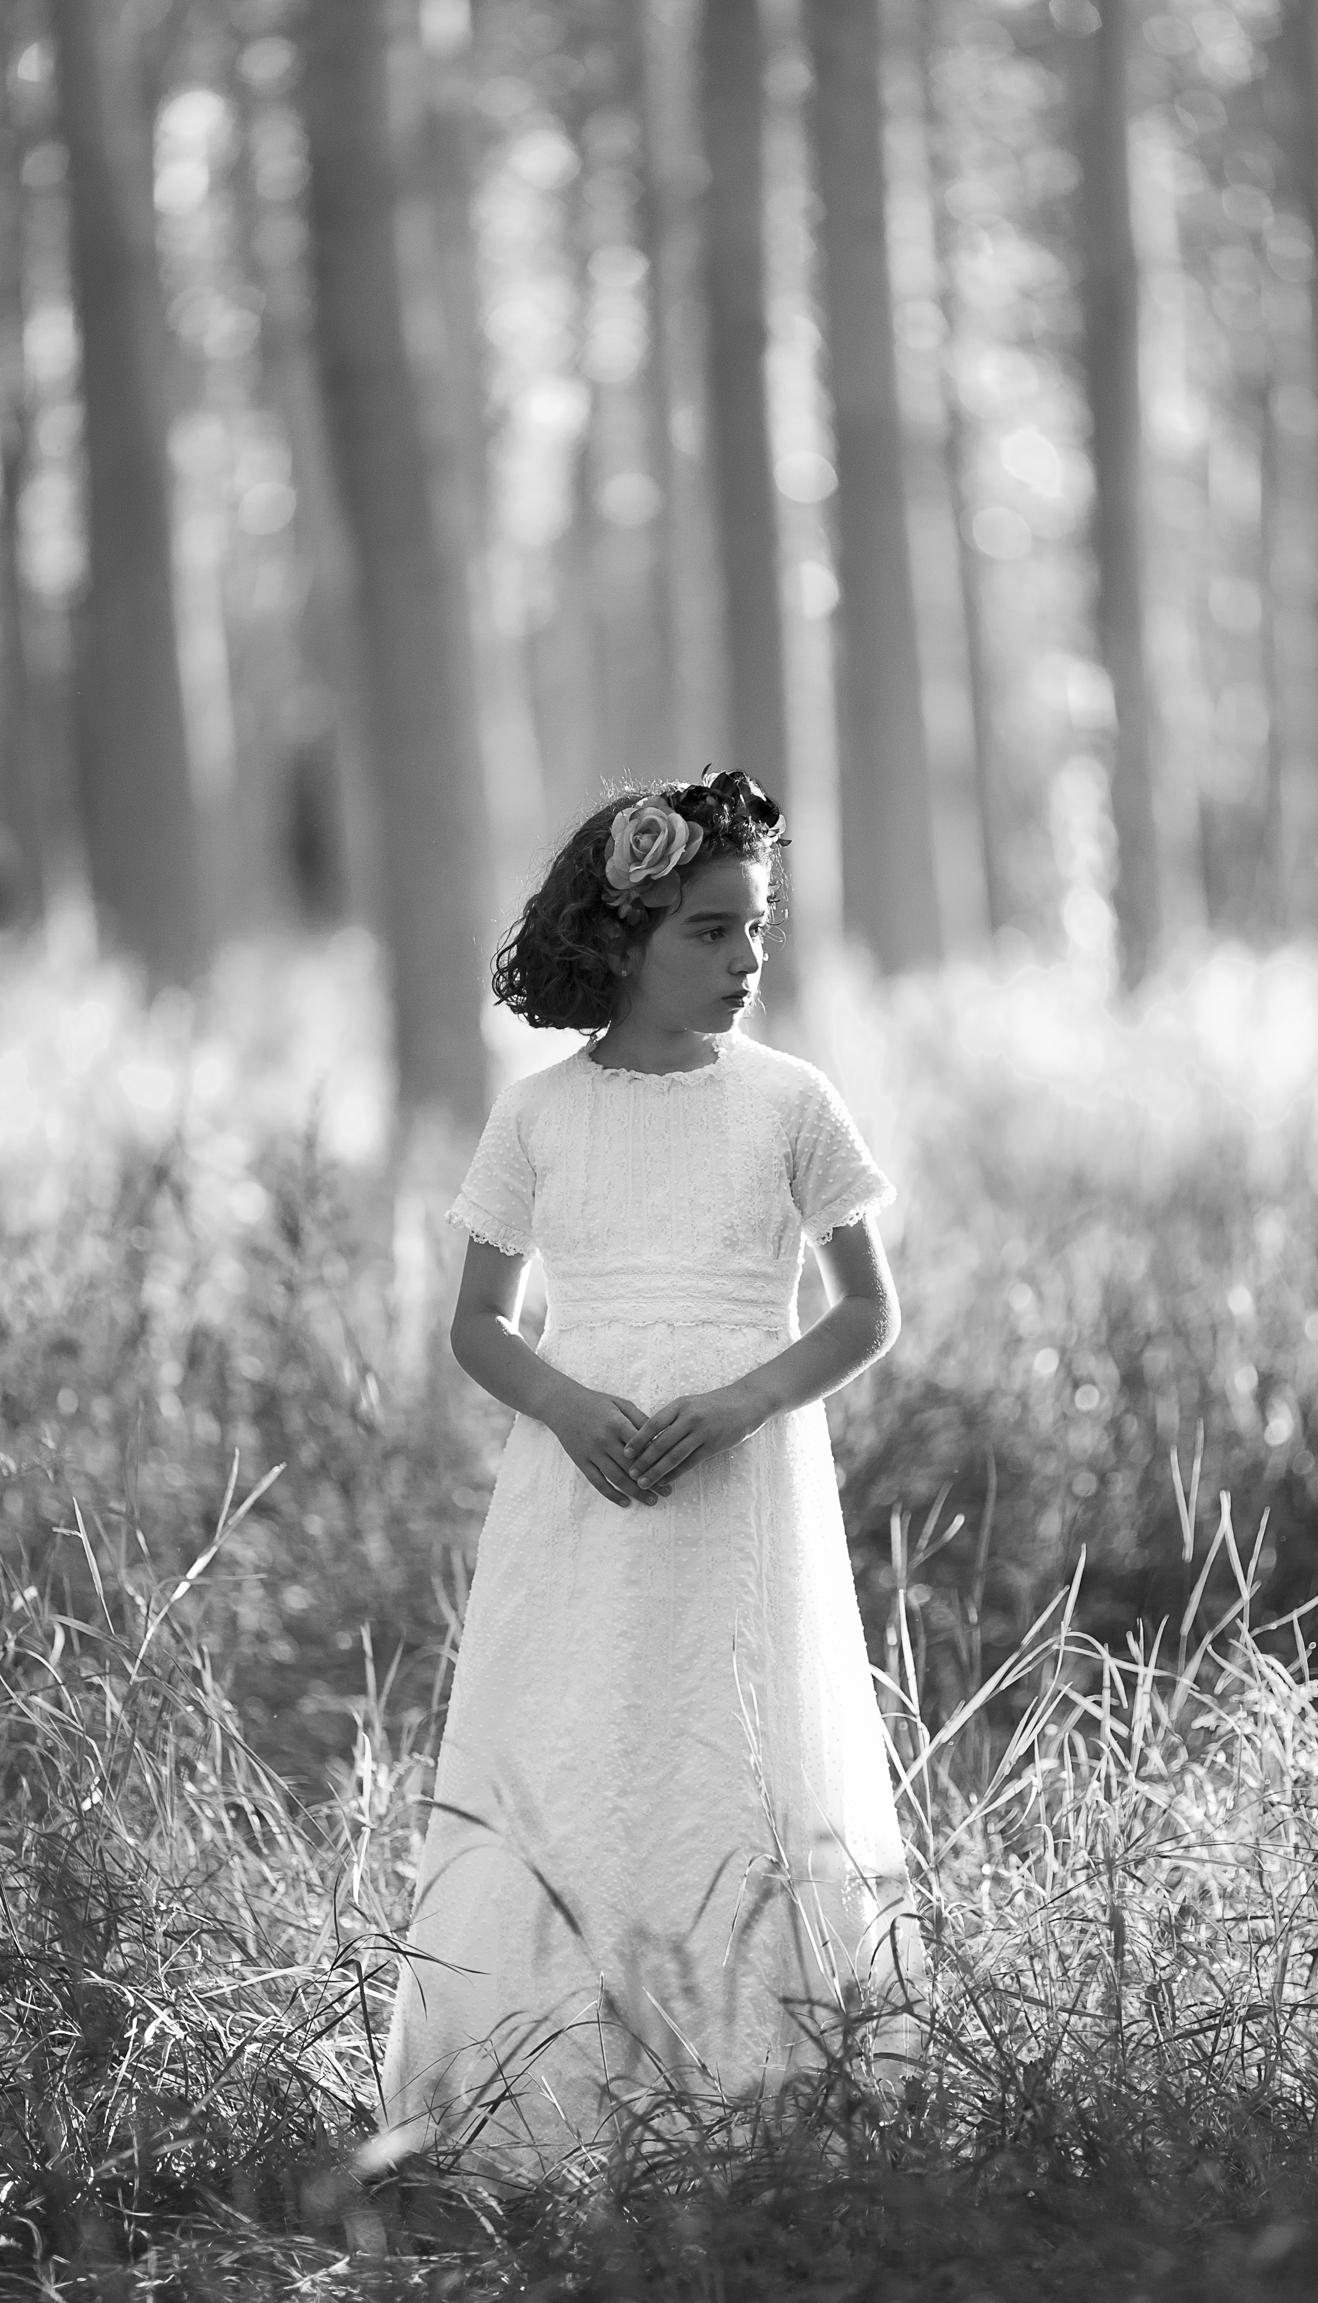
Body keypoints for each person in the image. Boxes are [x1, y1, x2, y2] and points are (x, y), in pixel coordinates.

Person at [377, 768, 926, 2180]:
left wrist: (747, 1399)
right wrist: (566, 1408)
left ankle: (764, 2091)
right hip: (582, 1491)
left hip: (746, 1489)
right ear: (621, 937)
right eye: (709, 930)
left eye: (757, 928)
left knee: (735, 1747)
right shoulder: (540, 1116)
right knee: (582, 1736)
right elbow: (479, 1325)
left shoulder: (791, 1103)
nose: (746, 959)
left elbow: (868, 1312)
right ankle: (540, 2094)